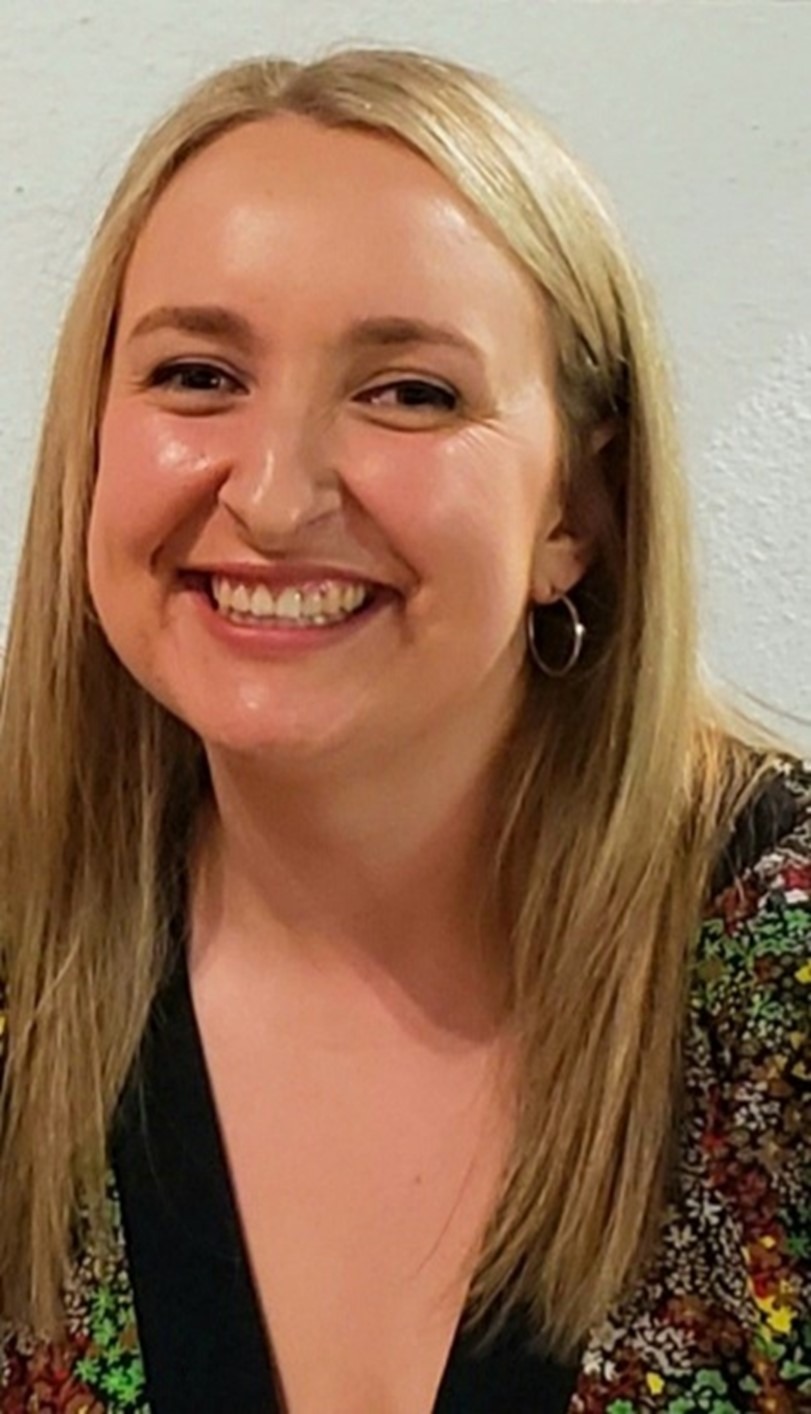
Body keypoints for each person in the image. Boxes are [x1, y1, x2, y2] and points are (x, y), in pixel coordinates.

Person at [0, 44, 808, 1414]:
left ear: (575, 514)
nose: (273, 492)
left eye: (411, 392)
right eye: (197, 374)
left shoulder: (777, 972)